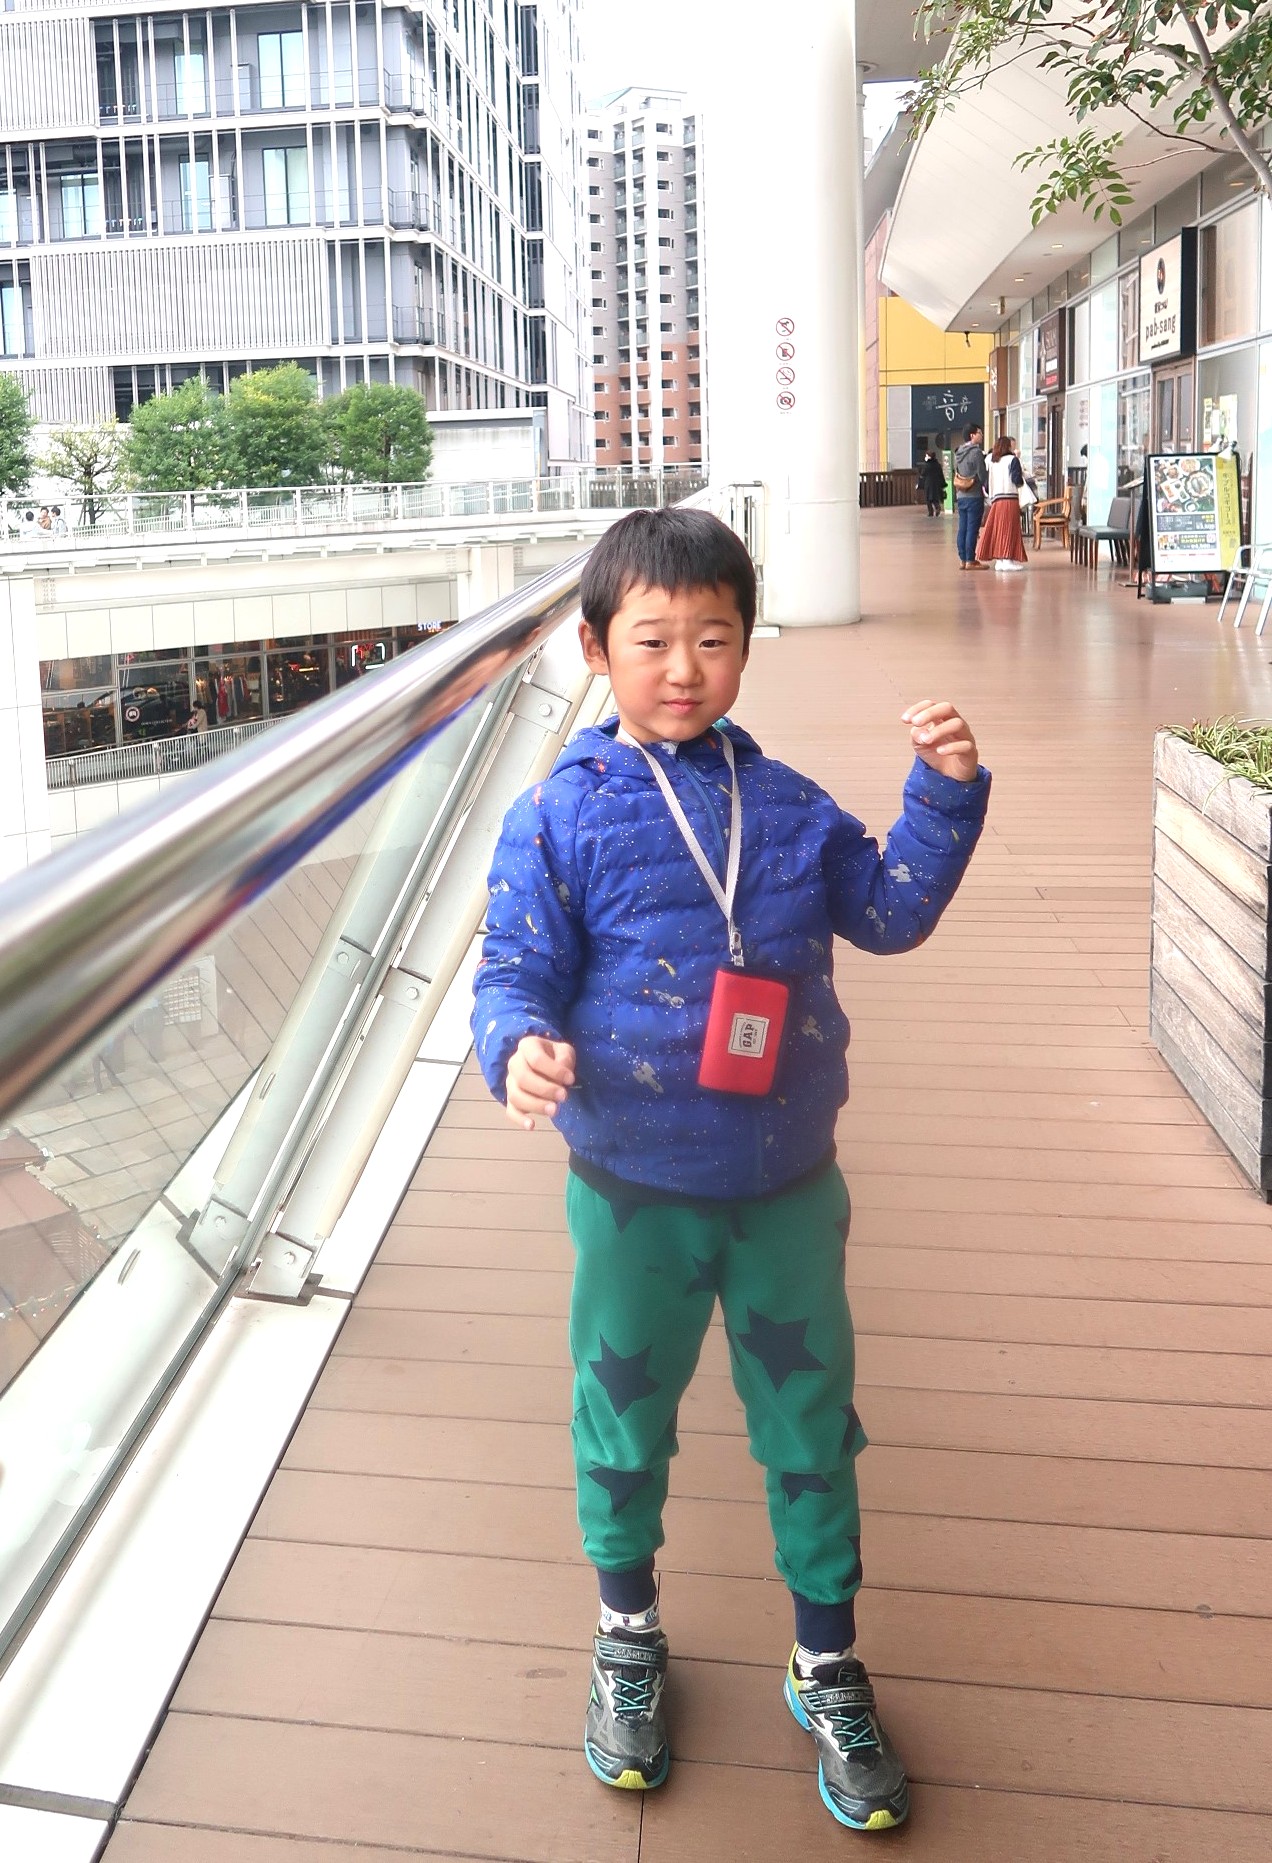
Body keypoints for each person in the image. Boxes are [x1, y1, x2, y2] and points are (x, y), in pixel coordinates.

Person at [471, 508, 990, 1833]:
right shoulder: (557, 816)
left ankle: (825, 1658)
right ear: (596, 651)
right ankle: (627, 1632)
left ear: (747, 648)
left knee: (811, 1422)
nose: (684, 667)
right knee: (623, 1411)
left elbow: (890, 910)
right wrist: (517, 1048)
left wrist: (942, 793)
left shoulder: (793, 804)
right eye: (652, 640)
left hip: (787, 1186)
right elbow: (514, 967)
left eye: (713, 638)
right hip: (631, 1188)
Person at [976, 435, 1029, 572]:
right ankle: (1007, 559)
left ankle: (1000, 561)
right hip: (1010, 499)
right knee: (1010, 529)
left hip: (996, 501)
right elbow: (1017, 480)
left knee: (999, 529)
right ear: (1008, 447)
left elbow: (987, 485)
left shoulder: (993, 462)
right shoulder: (1013, 460)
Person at [952, 423, 988, 570]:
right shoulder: (976, 453)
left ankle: (962, 559)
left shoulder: (958, 453)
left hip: (961, 494)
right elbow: (982, 475)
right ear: (972, 435)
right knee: (972, 528)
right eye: (980, 433)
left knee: (963, 528)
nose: (982, 435)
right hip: (974, 495)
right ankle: (970, 560)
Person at [917, 448, 946, 517]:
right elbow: (941, 474)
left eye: (926, 456)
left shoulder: (926, 465)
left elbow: (923, 473)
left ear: (929, 456)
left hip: (928, 483)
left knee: (928, 498)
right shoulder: (937, 464)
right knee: (935, 497)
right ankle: (937, 507)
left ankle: (930, 512)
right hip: (936, 483)